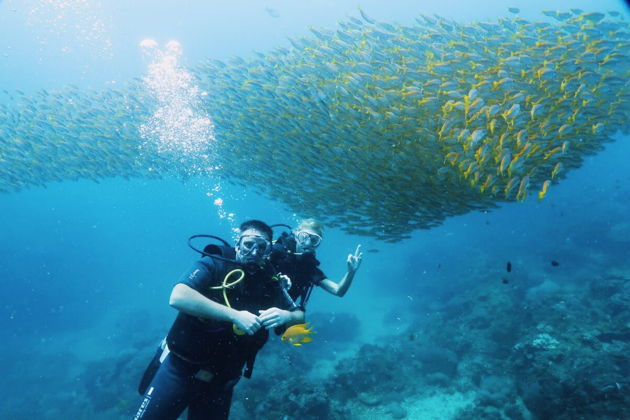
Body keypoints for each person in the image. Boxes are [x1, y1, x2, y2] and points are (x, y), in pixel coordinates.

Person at [134, 220, 303, 420]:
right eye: (249, 244)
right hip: (180, 370)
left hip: (222, 382)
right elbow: (178, 296)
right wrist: (234, 315)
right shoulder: (214, 263)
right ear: (238, 244)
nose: (254, 251)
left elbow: (299, 317)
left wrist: (286, 315)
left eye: (261, 247)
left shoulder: (270, 279)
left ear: (268, 251)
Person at [270, 218, 363, 311]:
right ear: (296, 234)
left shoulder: (309, 269)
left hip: (281, 314)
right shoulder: (275, 252)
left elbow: (338, 291)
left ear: (317, 245)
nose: (308, 243)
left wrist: (351, 272)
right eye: (304, 237)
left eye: (314, 240)